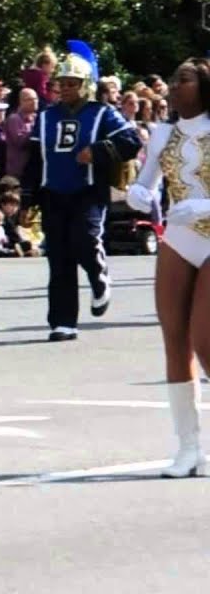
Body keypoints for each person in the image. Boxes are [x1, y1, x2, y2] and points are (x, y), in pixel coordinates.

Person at [21, 41, 141, 342]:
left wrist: (98, 150)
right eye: (63, 83)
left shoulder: (102, 113)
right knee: (58, 256)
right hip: (53, 192)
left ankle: (98, 276)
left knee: (85, 239)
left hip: (88, 190)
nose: (67, 88)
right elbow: (35, 160)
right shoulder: (46, 117)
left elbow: (131, 141)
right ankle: (62, 322)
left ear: (85, 85)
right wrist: (27, 198)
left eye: (73, 83)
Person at [125, 58, 210, 478]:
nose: (174, 87)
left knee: (204, 337)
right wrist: (139, 193)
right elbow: (149, 181)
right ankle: (189, 448)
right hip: (179, 239)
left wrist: (204, 205)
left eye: (185, 80)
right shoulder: (162, 133)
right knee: (174, 340)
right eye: (173, 80)